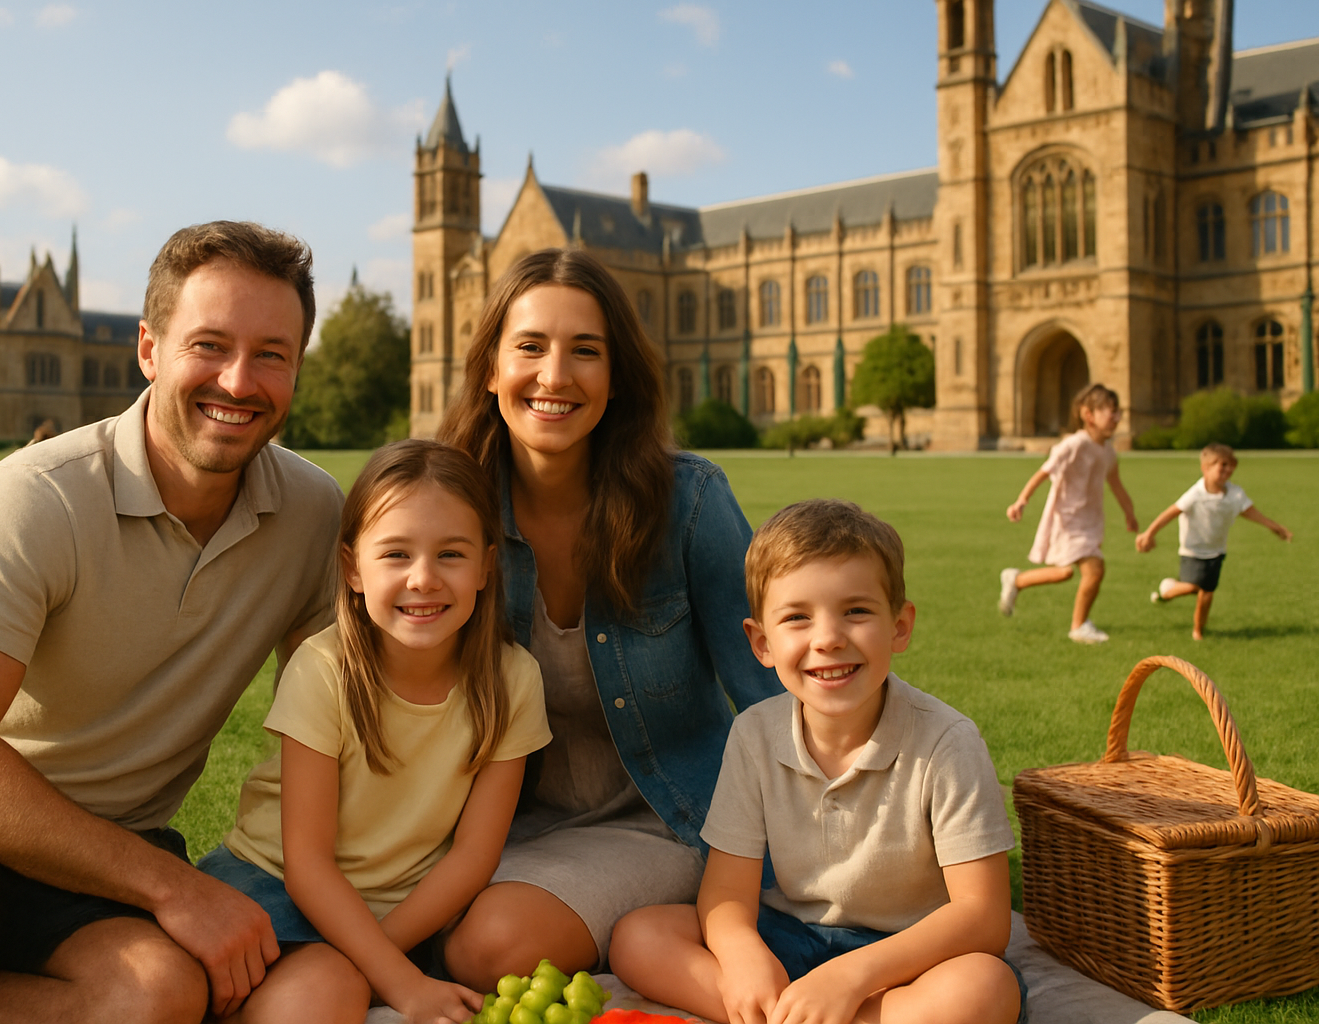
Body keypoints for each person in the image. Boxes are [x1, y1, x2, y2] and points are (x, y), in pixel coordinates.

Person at [0, 221, 344, 1023]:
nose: (238, 380)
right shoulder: (41, 493)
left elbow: (346, 720)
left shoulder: (314, 515)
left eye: (272, 355)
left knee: (158, 997)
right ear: (149, 349)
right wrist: (173, 886)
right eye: (209, 345)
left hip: (101, 850)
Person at [435, 247, 781, 990]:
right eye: (530, 346)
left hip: (665, 817)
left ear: (617, 376)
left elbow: (773, 686)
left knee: (488, 948)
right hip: (492, 822)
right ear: (490, 367)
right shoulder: (449, 508)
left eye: (585, 351)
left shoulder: (687, 502)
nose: (555, 375)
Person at [609, 499, 1024, 1024]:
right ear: (762, 643)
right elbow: (727, 892)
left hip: (907, 953)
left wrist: (851, 977)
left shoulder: (947, 743)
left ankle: (792, 1015)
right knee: (640, 936)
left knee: (984, 987)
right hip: (790, 935)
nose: (827, 639)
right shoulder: (754, 734)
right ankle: (787, 1011)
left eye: (856, 611)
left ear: (899, 626)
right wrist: (743, 957)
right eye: (797, 618)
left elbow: (984, 917)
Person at [198, 439, 551, 1024]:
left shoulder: (513, 679)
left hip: (403, 909)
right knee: (321, 996)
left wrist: (381, 960)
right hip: (275, 882)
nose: (423, 579)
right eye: (396, 554)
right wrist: (398, 980)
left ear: (487, 567)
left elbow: (473, 855)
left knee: (346, 982)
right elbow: (307, 864)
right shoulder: (324, 669)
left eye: (451, 554)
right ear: (352, 568)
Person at [998, 383, 1138, 644]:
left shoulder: (1108, 451)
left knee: (1064, 572)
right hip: (1067, 520)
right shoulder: (1074, 444)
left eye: (1118, 412)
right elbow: (1045, 471)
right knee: (1094, 570)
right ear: (1088, 415)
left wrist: (1129, 514)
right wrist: (1021, 501)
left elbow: (1116, 485)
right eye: (1111, 412)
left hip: (1090, 521)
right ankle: (1079, 626)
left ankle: (1016, 580)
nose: (1117, 418)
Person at [1135, 442, 1292, 640]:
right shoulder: (1195, 494)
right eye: (1222, 465)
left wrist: (1275, 527)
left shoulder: (1235, 494)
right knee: (1193, 587)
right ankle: (1167, 591)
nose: (1228, 469)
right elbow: (1171, 512)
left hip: (1217, 551)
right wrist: (1149, 533)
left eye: (1231, 465)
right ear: (1205, 468)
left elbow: (1251, 513)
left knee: (1207, 593)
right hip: (1192, 550)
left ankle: (1198, 630)